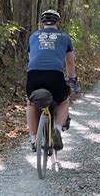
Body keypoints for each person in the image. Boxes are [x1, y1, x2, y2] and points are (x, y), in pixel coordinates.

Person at [26, 9, 76, 152]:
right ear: (57, 22)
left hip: (34, 74)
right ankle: (57, 130)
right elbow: (70, 62)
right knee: (63, 101)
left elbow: (31, 59)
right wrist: (72, 79)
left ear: (42, 22)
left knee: (31, 104)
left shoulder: (33, 36)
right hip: (55, 75)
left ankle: (33, 139)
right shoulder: (64, 37)